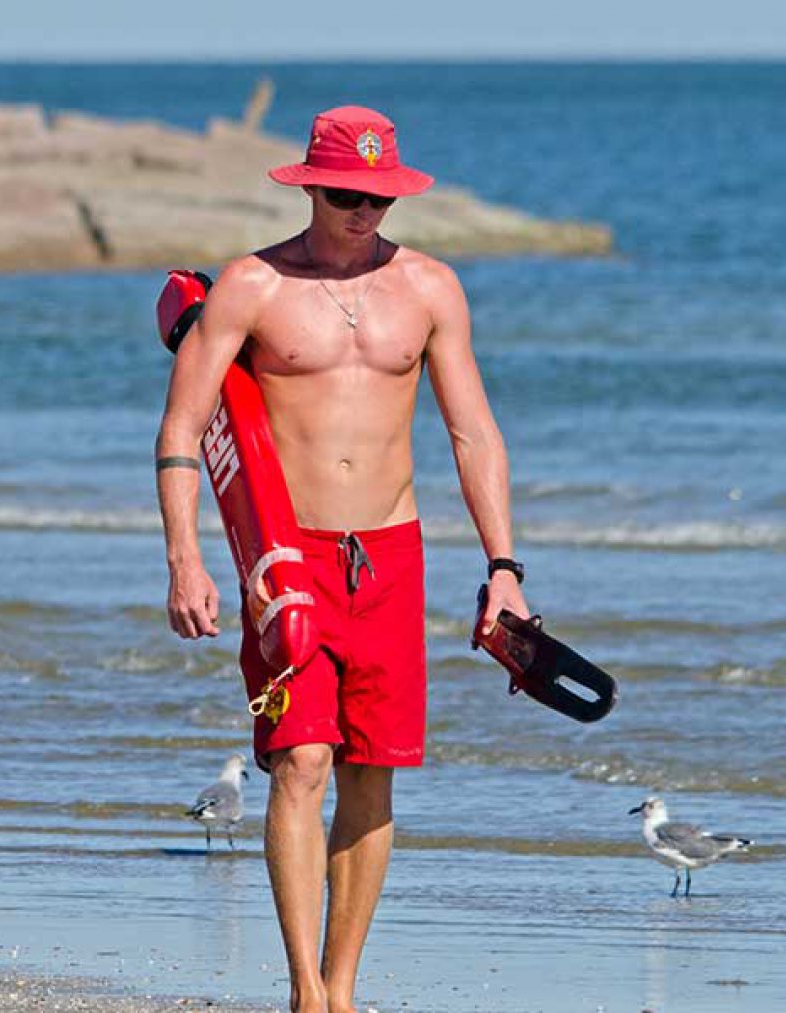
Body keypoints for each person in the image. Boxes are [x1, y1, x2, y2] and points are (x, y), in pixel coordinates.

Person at [154, 106, 530, 1013]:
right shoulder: (251, 287)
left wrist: (506, 567)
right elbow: (179, 429)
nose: (364, 211)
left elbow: (472, 430)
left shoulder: (433, 288)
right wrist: (184, 557)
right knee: (301, 760)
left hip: (393, 560)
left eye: (379, 196)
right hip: (287, 561)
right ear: (309, 186)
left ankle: (346, 989)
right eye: (345, 194)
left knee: (373, 767)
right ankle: (304, 991)